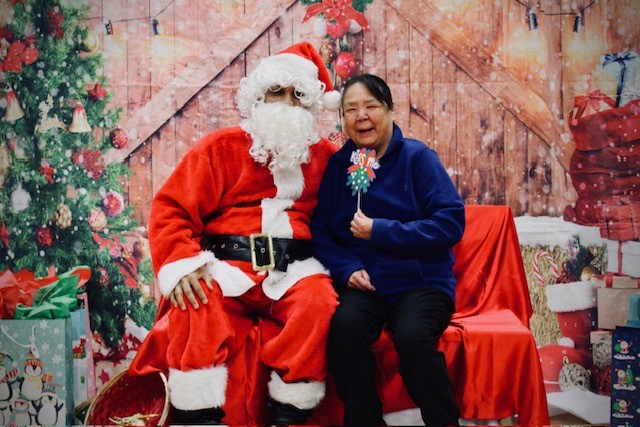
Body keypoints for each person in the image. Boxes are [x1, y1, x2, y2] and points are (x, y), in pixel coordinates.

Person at [131, 42, 343, 425]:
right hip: (228, 268)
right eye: (276, 91)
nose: (286, 103)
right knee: (198, 298)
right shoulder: (220, 148)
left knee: (318, 303)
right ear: (259, 96)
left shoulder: (327, 157)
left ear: (311, 105)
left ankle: (289, 412)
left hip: (294, 271)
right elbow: (171, 209)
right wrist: (181, 263)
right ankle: (199, 415)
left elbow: (343, 219)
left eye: (297, 95)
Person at [310, 74, 465, 426]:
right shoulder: (339, 166)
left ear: (391, 111)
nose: (361, 116)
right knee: (343, 330)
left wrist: (380, 231)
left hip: (421, 283)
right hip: (366, 285)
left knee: (412, 338)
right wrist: (346, 269)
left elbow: (450, 223)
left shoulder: (418, 158)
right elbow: (321, 233)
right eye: (351, 109)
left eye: (371, 106)